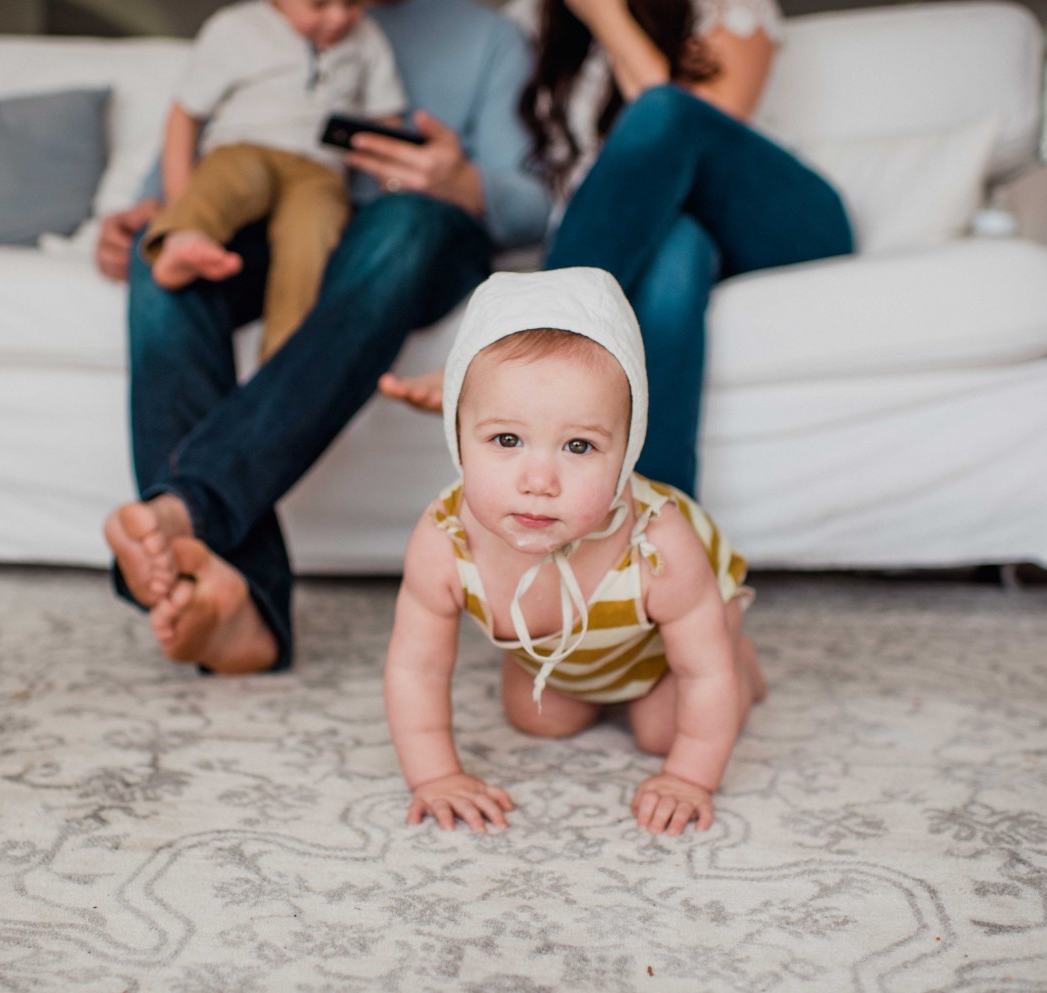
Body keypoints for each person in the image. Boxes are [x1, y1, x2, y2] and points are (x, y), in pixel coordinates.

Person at [97, 0, 553, 674]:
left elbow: (536, 201)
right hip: (282, 222)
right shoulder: (258, 27)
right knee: (161, 263)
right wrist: (144, 215)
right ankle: (230, 599)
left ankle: (190, 506)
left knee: (402, 220)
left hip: (417, 235)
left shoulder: (487, 38)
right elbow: (206, 147)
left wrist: (458, 180)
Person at [379, 0, 854, 496]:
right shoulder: (530, 20)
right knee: (674, 252)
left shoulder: (729, 7)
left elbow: (681, 133)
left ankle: (511, 333)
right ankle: (658, 540)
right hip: (656, 233)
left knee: (665, 111)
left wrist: (607, 15)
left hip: (774, 219)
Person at [384, 268, 763, 836]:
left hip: (658, 654)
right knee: (539, 719)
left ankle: (746, 662)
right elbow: (416, 668)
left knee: (666, 729)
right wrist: (435, 776)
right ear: (457, 436)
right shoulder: (445, 538)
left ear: (628, 449)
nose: (539, 480)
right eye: (506, 440)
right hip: (563, 658)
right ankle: (581, 680)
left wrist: (688, 778)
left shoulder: (658, 544)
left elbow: (702, 673)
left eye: (579, 446)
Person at [142, 0, 407, 360]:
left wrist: (395, 177)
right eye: (319, 5)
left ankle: (282, 356)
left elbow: (386, 120)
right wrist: (178, 199)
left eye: (352, 3)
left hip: (320, 170)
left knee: (315, 233)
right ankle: (183, 237)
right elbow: (185, 116)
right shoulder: (236, 28)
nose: (339, 17)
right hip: (246, 148)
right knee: (224, 182)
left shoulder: (368, 39)